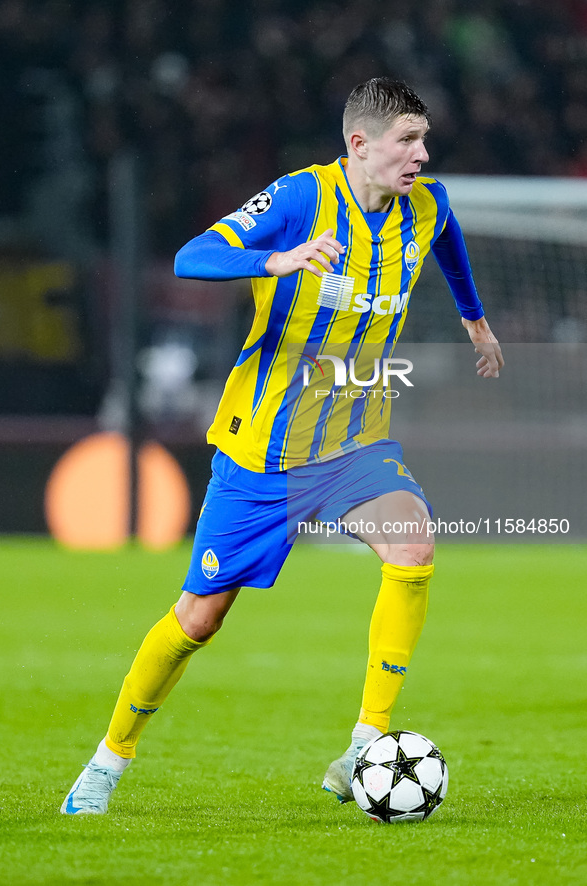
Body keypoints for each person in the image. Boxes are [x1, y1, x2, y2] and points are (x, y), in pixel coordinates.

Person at [61, 77, 503, 815]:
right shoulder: (300, 199)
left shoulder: (426, 204)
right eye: (407, 141)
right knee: (199, 618)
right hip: (262, 449)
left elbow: (446, 240)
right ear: (359, 144)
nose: (421, 155)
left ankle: (366, 743)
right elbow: (191, 256)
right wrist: (277, 260)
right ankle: (108, 760)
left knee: (413, 547)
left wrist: (474, 320)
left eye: (423, 140)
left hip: (354, 443)